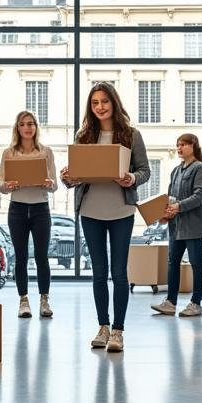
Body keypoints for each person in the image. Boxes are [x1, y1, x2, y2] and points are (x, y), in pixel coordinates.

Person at [61, 82, 150, 352]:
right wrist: (68, 178)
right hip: (91, 211)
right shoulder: (84, 135)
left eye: (104, 102)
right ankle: (103, 327)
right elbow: (76, 176)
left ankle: (118, 331)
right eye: (94, 103)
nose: (99, 107)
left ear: (114, 102)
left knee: (119, 273)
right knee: (98, 273)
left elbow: (145, 171)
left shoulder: (131, 135)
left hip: (121, 211)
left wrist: (131, 178)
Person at [0, 111, 58, 320]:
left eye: (31, 123)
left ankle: (44, 300)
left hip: (41, 208)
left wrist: (50, 184)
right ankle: (23, 300)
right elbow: (0, 185)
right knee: (20, 256)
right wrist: (7, 186)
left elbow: (55, 185)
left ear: (36, 127)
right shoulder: (9, 153)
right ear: (18, 128)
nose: (28, 127)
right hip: (18, 209)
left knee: (42, 256)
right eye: (23, 124)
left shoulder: (46, 152)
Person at [152, 134, 202, 318]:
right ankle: (170, 302)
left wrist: (177, 206)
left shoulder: (200, 169)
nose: (179, 148)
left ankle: (196, 303)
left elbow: (199, 197)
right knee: (172, 263)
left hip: (194, 226)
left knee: (195, 262)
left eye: (183, 144)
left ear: (193, 146)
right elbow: (171, 197)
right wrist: (166, 211)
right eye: (177, 145)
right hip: (176, 226)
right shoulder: (176, 171)